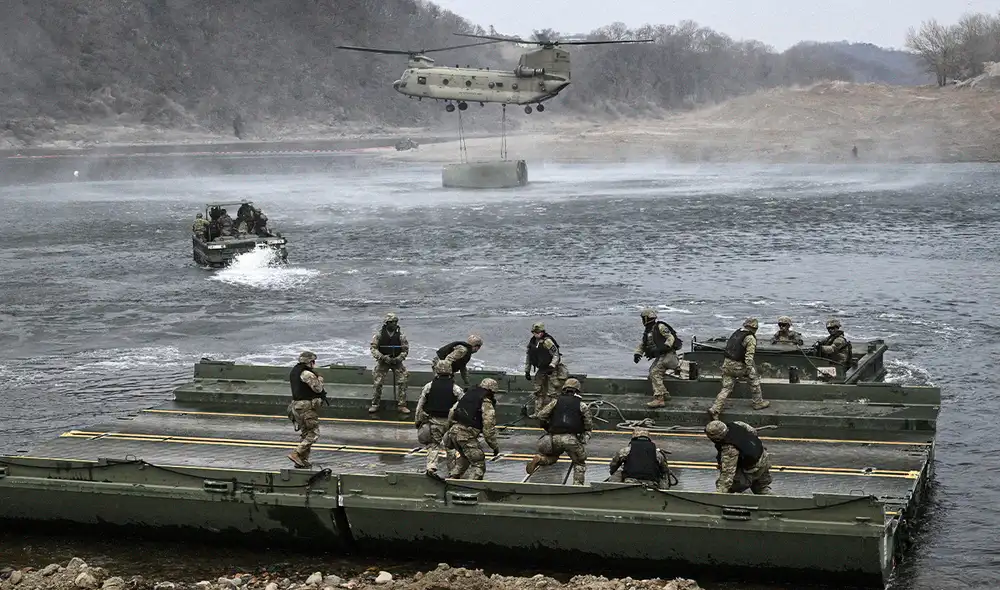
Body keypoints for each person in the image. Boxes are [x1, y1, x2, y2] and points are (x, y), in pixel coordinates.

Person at [525, 378, 593, 485]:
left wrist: (547, 427)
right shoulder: (582, 405)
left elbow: (541, 415)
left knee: (553, 457)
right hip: (571, 439)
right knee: (579, 463)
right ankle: (577, 486)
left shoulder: (555, 402)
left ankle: (540, 459)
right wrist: (584, 438)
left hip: (553, 438)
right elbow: (588, 425)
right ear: (577, 390)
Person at [709, 318, 770, 419]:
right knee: (754, 379)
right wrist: (749, 369)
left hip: (727, 365)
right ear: (755, 328)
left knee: (726, 388)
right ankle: (758, 402)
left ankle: (715, 409)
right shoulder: (750, 338)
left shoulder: (736, 333)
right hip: (738, 366)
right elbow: (749, 356)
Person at [444, 377, 499, 480]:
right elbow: (488, 428)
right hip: (466, 435)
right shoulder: (486, 402)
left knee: (465, 457)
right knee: (478, 462)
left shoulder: (467, 395)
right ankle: (472, 486)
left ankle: (453, 477)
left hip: (454, 432)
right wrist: (494, 446)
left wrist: (449, 429)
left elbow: (452, 411)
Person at [414, 363, 464, 479]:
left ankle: (431, 467)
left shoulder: (429, 386)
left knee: (433, 445)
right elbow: (462, 404)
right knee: (450, 447)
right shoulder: (455, 388)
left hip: (433, 421)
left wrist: (417, 420)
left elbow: (420, 405)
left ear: (436, 371)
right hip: (449, 423)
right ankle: (452, 471)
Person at [705, 420, 772, 494]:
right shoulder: (738, 424)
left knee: (730, 488)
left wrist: (718, 494)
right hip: (763, 457)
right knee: (762, 488)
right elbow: (753, 432)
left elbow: (727, 475)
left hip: (751, 469)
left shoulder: (729, 449)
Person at [634, 308, 682, 408]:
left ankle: (659, 398)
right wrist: (638, 353)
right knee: (652, 371)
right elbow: (643, 344)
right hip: (661, 356)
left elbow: (670, 337)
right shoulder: (648, 331)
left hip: (668, 355)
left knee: (655, 373)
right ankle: (664, 393)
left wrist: (665, 347)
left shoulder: (660, 326)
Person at [287, 351, 327, 468]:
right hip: (306, 407)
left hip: (296, 406)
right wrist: (319, 378)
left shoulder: (295, 371)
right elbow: (318, 389)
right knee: (314, 433)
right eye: (313, 361)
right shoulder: (307, 374)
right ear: (310, 362)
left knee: (305, 433)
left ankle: (302, 460)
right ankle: (296, 453)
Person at [524, 322, 569, 416]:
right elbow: (529, 357)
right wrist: (527, 371)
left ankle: (554, 414)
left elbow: (556, 355)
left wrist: (552, 366)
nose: (537, 334)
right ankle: (538, 412)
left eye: (539, 332)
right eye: (535, 332)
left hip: (551, 370)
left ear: (542, 332)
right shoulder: (532, 342)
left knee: (553, 392)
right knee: (538, 391)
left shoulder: (547, 341)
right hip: (541, 369)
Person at [369, 312, 410, 414]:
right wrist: (382, 357)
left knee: (403, 380)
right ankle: (375, 404)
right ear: (387, 323)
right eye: (392, 322)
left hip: (396, 361)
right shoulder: (379, 335)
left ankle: (402, 405)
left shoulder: (401, 336)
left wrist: (398, 358)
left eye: (396, 322)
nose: (395, 324)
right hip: (383, 361)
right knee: (378, 382)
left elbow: (405, 350)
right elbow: (373, 349)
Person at [608, 427, 674, 488]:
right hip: (651, 483)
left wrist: (612, 471)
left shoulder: (626, 450)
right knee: (663, 476)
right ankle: (664, 494)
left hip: (630, 481)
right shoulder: (656, 453)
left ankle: (613, 492)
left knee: (617, 473)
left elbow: (614, 464)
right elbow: (664, 470)